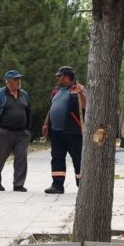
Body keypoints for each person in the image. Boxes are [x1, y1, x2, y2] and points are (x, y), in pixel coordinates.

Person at [41, 66, 86, 194]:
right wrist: (46, 124)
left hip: (73, 131)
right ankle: (57, 185)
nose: (57, 79)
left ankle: (82, 185)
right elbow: (52, 108)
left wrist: (81, 93)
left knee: (77, 158)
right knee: (57, 158)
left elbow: (86, 106)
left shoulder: (77, 89)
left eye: (59, 76)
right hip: (56, 132)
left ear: (67, 77)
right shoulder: (56, 91)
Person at [0, 70, 31, 192]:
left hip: (21, 133)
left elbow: (28, 112)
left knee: (21, 158)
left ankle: (18, 185)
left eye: (19, 79)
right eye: (16, 79)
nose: (19, 81)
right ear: (8, 82)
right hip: (4, 132)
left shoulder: (24, 94)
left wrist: (28, 129)